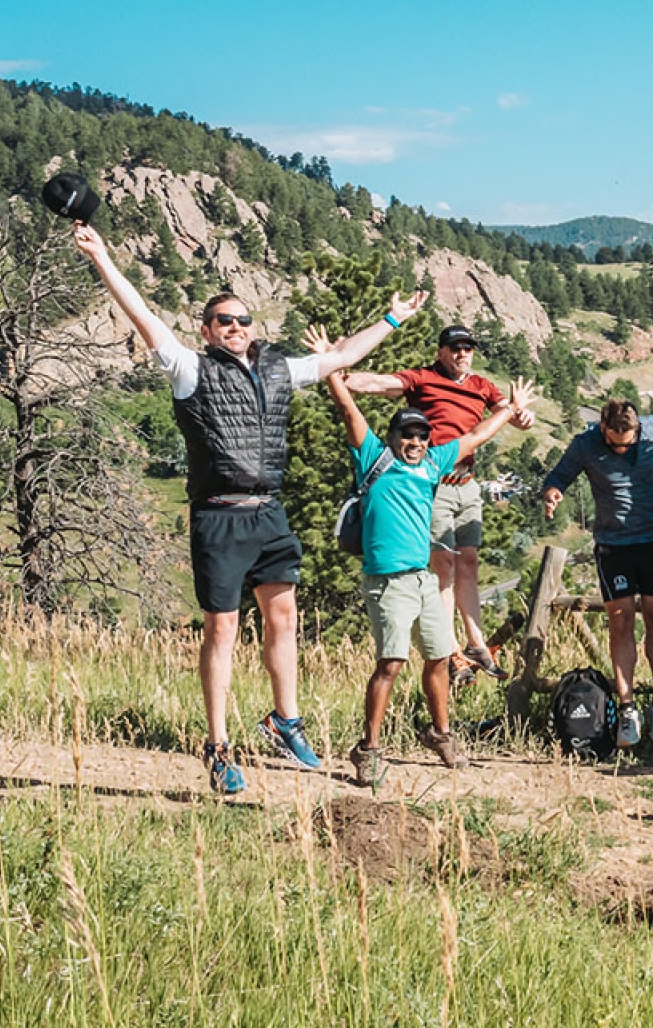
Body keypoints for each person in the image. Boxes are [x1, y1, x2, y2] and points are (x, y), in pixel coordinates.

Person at [71, 221, 427, 794]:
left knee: (282, 616)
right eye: (224, 321)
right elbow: (142, 315)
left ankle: (285, 720)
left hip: (269, 512)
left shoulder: (278, 369)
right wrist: (103, 257)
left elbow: (339, 360)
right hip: (217, 515)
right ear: (207, 330)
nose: (235, 328)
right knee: (223, 628)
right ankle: (217, 747)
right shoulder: (191, 369)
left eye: (242, 320)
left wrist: (394, 318)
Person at [319, 331, 533, 787]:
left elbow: (475, 436)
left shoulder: (434, 463)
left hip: (420, 580)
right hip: (387, 581)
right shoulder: (374, 459)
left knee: (439, 658)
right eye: (407, 434)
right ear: (393, 436)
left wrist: (510, 410)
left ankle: (440, 733)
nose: (415, 441)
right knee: (391, 663)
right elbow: (349, 410)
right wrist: (332, 368)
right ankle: (369, 748)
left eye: (421, 434)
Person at [341, 325, 535, 684]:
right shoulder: (423, 379)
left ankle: (476, 643)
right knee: (443, 566)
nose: (463, 354)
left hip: (467, 484)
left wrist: (524, 416)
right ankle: (451, 653)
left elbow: (512, 414)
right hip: (435, 484)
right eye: (456, 348)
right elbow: (377, 383)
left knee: (469, 562)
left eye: (468, 348)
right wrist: (341, 372)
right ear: (441, 351)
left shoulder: (481, 386)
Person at [542, 399, 653, 748]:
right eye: (615, 442)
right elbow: (559, 477)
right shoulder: (586, 443)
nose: (622, 448)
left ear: (638, 428)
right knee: (621, 621)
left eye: (628, 442)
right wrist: (552, 495)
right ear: (603, 430)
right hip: (613, 546)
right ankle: (627, 709)